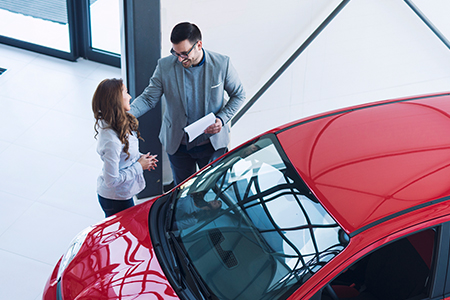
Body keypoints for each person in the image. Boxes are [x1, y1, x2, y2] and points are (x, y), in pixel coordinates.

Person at [129, 22, 246, 186]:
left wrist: (221, 119)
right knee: (183, 191)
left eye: (184, 53)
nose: (179, 59)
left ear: (199, 45)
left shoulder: (222, 64)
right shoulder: (164, 66)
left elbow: (239, 95)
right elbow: (149, 98)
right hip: (178, 146)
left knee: (215, 189)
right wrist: (126, 115)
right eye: (175, 53)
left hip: (212, 144)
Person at [92, 78, 158, 217]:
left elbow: (125, 152)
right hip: (115, 199)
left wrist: (141, 158)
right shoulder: (111, 141)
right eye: (126, 93)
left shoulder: (120, 122)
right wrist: (139, 166)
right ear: (116, 100)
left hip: (122, 195)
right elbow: (112, 181)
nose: (130, 97)